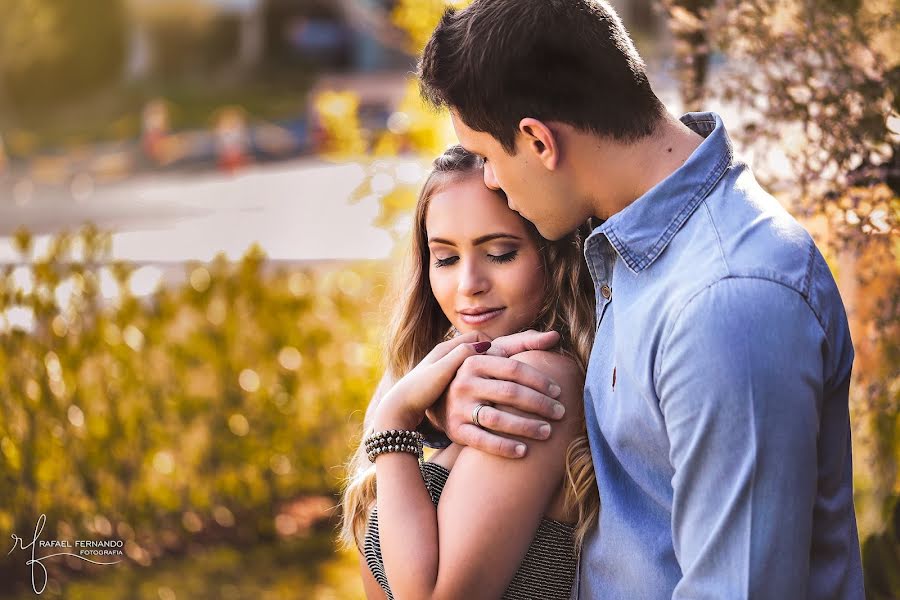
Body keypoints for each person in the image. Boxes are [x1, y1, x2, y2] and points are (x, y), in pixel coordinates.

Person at [416, 1, 865, 599]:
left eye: (492, 160)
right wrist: (449, 403)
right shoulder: (623, 242)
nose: (491, 182)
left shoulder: (727, 302)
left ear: (538, 141)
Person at [340, 145, 600, 599]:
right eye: (445, 258)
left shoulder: (536, 381)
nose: (468, 285)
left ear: (553, 257)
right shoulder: (427, 376)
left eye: (500, 253)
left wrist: (394, 419)